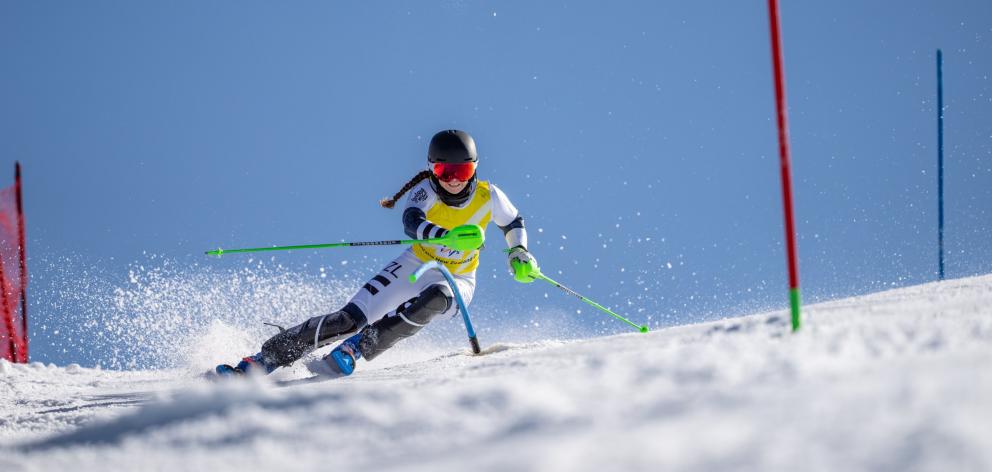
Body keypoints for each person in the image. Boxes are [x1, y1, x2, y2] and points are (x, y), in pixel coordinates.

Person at [216, 130, 538, 377]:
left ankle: (357, 349)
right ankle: (260, 362)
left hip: (460, 277)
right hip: (416, 262)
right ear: (431, 170)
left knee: (437, 298)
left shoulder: (488, 195)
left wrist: (518, 252)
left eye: (462, 172)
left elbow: (512, 221)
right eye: (444, 171)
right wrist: (446, 236)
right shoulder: (424, 191)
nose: (453, 181)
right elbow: (411, 222)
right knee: (347, 319)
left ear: (475, 170)